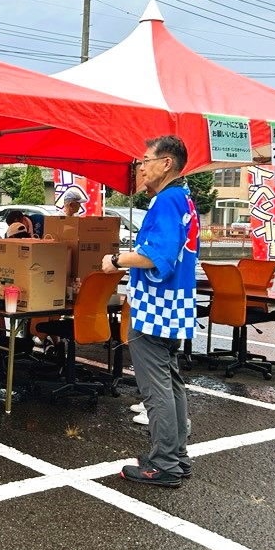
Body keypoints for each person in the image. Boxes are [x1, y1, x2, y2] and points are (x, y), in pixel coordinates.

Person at [102, 135, 198, 488]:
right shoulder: (184, 198)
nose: (140, 166)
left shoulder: (166, 201)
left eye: (145, 159)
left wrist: (117, 260)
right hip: (177, 304)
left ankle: (164, 463)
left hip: (155, 305)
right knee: (171, 383)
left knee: (155, 387)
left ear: (166, 163)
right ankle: (177, 455)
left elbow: (157, 256)